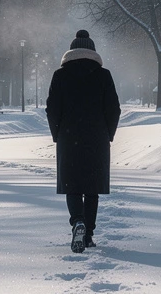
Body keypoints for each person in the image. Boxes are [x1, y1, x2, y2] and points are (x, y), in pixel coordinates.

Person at [45, 30, 121, 253]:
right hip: (96, 138)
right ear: (93, 51)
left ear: (71, 52)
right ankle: (87, 234)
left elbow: (52, 109)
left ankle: (77, 221)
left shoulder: (60, 75)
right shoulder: (103, 75)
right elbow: (114, 108)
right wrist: (108, 133)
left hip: (69, 137)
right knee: (92, 189)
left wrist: (57, 134)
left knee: (73, 186)